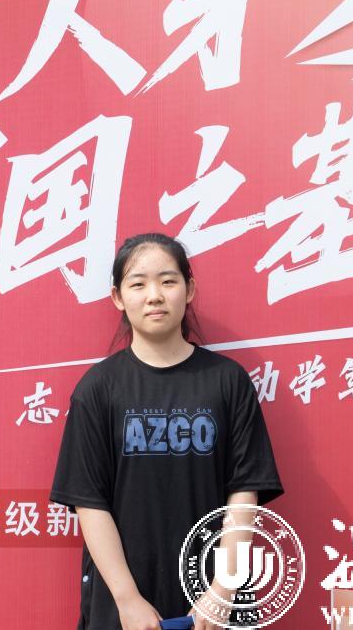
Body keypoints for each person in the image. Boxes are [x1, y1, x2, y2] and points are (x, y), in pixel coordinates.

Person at [50, 232, 284, 630]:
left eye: (168, 281)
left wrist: (222, 590)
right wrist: (127, 599)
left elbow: (244, 491)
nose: (154, 296)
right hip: (123, 605)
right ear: (118, 297)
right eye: (138, 284)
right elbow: (90, 502)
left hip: (217, 601)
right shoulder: (98, 389)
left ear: (188, 289)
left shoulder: (228, 382)